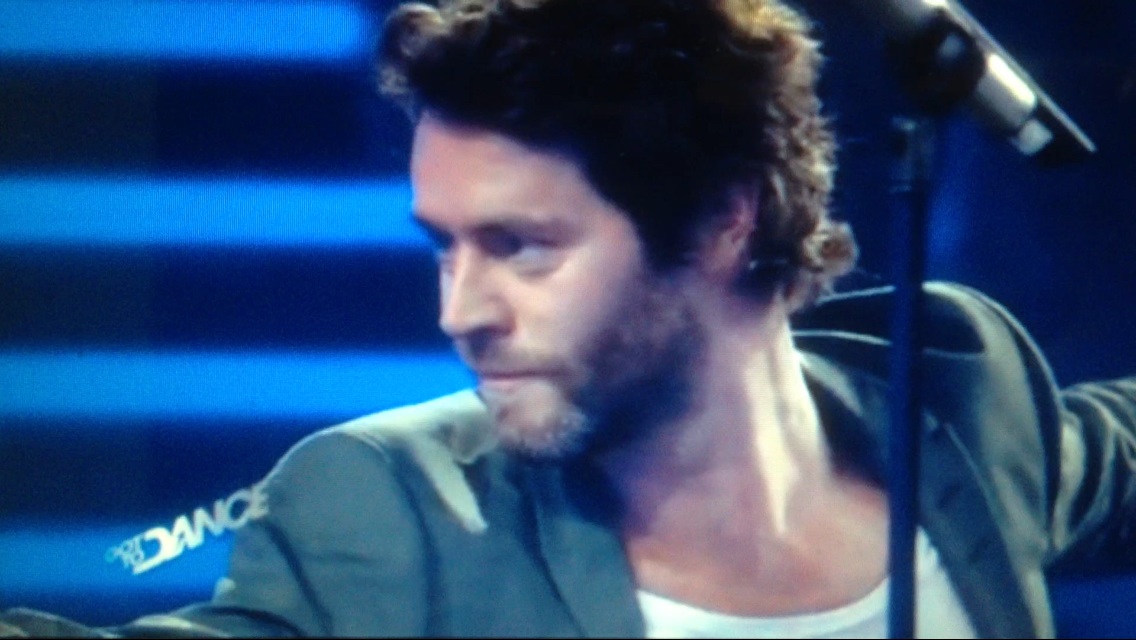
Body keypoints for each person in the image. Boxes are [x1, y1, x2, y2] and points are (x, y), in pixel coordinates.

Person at [2, 0, 1135, 637]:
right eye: (444, 246)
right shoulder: (393, 513)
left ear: (721, 219)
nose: (459, 312)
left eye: (521, 247)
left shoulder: (962, 392)